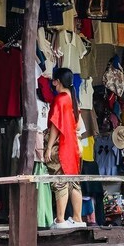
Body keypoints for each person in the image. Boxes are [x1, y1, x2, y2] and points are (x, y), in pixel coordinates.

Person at [45, 67, 85, 228]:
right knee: (74, 182)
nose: (52, 83)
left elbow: (55, 125)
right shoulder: (73, 98)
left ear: (58, 81)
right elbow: (79, 125)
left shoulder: (60, 99)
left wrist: (48, 147)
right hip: (73, 145)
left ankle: (60, 219)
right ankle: (77, 218)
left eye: (53, 80)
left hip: (61, 145)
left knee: (60, 180)